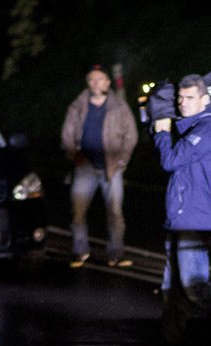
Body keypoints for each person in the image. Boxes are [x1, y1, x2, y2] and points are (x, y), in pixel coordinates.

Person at [153, 74, 211, 320]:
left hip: (194, 218)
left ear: (205, 100)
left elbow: (170, 161)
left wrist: (162, 133)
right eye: (180, 97)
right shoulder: (196, 128)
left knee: (194, 286)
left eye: (189, 97)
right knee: (172, 287)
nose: (182, 103)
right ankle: (174, 341)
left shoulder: (207, 130)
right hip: (180, 216)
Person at [61, 65, 138, 267]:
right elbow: (67, 134)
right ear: (88, 84)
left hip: (111, 166)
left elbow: (131, 135)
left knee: (115, 213)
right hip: (84, 165)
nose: (96, 83)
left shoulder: (118, 106)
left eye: (100, 79)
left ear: (107, 82)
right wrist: (73, 155)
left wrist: (122, 161)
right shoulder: (77, 105)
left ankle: (115, 254)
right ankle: (80, 251)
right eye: (92, 80)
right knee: (77, 213)